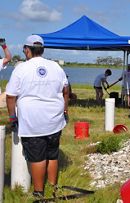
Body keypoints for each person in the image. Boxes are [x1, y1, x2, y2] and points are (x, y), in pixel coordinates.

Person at [6, 35, 69, 198]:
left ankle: (39, 193)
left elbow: (11, 96)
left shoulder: (21, 68)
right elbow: (66, 90)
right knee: (52, 154)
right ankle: (53, 188)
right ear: (42, 50)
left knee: (37, 157)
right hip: (55, 120)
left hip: (33, 122)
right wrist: (65, 110)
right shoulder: (55, 66)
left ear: (27, 50)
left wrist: (12, 117)